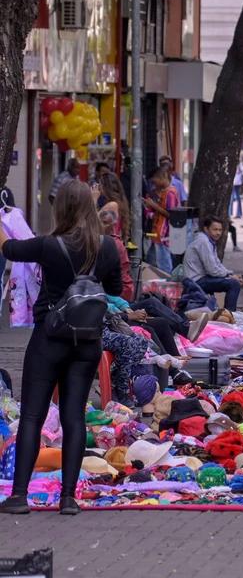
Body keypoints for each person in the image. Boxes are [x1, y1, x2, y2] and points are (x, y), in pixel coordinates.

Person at [0, 180, 123, 515]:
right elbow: (116, 291)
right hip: (87, 342)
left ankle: (19, 496)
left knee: (32, 417)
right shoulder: (108, 247)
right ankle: (69, 498)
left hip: (49, 339)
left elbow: (9, 250)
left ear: (61, 209)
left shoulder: (48, 245)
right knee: (74, 417)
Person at [183, 216, 243, 310]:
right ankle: (229, 313)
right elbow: (212, 270)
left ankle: (227, 313)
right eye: (215, 229)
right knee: (234, 284)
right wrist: (230, 276)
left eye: (220, 230)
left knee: (233, 281)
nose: (218, 233)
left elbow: (217, 264)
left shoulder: (209, 241)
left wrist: (230, 274)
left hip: (202, 278)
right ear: (206, 229)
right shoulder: (203, 242)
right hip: (195, 281)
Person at [142, 166, 180, 273]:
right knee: (151, 261)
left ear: (162, 177)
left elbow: (171, 214)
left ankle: (167, 287)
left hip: (164, 234)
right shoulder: (165, 192)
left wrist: (153, 205)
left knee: (164, 266)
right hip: (158, 233)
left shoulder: (170, 193)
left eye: (155, 181)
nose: (154, 184)